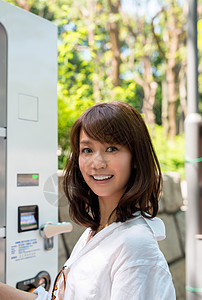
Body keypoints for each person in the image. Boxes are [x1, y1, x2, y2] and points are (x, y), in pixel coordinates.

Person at [0, 101, 176, 299]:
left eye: (111, 148)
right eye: (87, 150)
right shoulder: (97, 232)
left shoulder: (135, 246)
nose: (97, 163)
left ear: (135, 157)